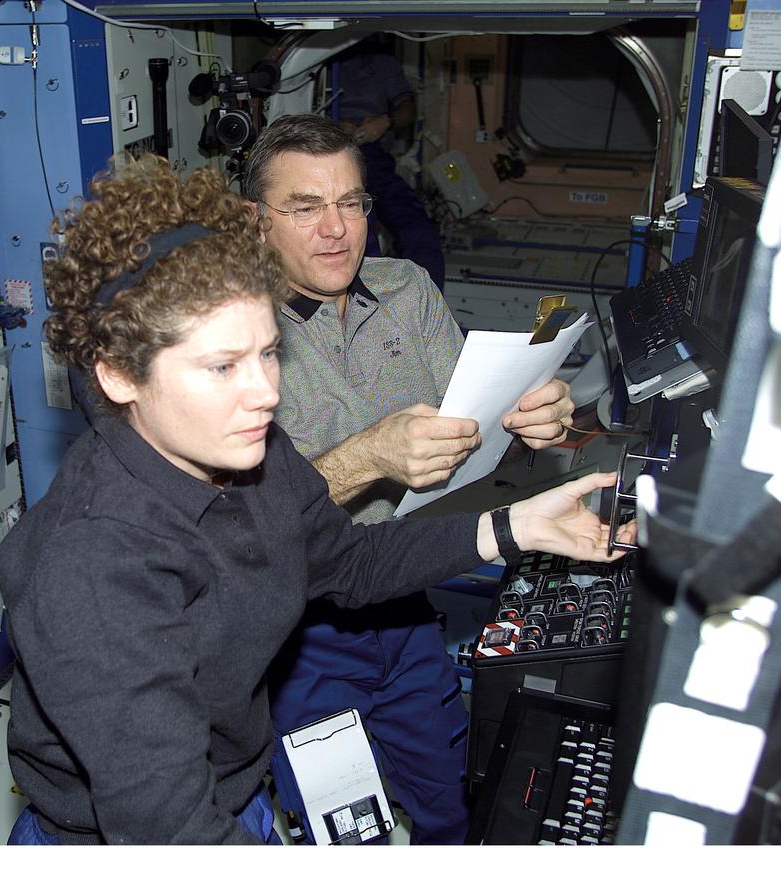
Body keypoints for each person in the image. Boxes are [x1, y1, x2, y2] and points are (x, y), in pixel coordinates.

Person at [0, 152, 628, 845]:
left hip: (235, 794)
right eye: (222, 366)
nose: (265, 392)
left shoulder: (249, 457)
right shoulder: (92, 565)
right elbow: (167, 828)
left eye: (268, 352)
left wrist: (514, 526)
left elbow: (348, 562)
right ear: (117, 375)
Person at [242, 113, 576, 844]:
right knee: (347, 833)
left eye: (352, 204)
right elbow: (242, 526)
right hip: (301, 633)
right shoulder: (230, 336)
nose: (336, 229)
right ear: (257, 221)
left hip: (402, 603)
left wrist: (531, 421)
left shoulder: (408, 290)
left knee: (455, 804)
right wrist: (368, 455)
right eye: (305, 207)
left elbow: (476, 441)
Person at [332, 38, 447, 290]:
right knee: (362, 235)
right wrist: (332, 126)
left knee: (420, 231)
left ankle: (427, 307)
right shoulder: (322, 60)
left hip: (372, 157)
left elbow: (406, 109)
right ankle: (368, 314)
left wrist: (385, 121)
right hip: (332, 158)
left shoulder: (383, 64)